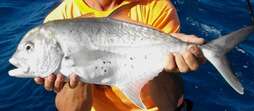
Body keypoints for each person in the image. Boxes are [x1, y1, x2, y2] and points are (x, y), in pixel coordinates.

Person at [34, 0, 206, 111]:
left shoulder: (155, 7)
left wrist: (162, 60)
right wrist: (78, 68)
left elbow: (168, 105)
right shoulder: (59, 21)